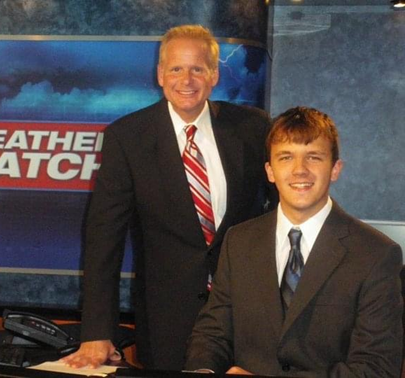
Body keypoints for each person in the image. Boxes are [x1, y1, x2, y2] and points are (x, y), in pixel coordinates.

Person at [62, 24, 275, 371]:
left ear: (214, 75)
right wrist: (97, 332)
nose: (186, 80)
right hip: (166, 325)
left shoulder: (253, 128)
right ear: (160, 74)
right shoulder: (127, 138)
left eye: (197, 69)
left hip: (248, 319)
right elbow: (104, 239)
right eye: (176, 68)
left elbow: (283, 213)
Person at [185, 106, 404, 377]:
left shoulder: (375, 255)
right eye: (286, 157)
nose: (300, 170)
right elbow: (213, 331)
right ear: (270, 171)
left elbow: (376, 368)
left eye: (313, 157)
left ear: (335, 169)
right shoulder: (238, 242)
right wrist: (203, 369)